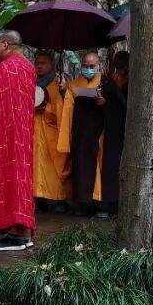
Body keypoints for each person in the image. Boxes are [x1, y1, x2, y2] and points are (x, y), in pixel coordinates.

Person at [0, 31, 37, 250]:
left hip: (8, 137)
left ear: (5, 44)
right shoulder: (28, 66)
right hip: (22, 135)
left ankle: (18, 235)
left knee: (10, 179)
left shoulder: (8, 68)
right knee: (20, 179)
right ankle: (23, 233)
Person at [57, 51, 126, 217]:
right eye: (86, 66)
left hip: (103, 135)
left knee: (104, 169)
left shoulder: (108, 84)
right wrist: (62, 91)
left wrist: (105, 103)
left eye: (92, 66)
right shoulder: (73, 85)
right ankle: (83, 204)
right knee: (82, 168)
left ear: (99, 65)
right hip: (82, 135)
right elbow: (67, 111)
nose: (88, 69)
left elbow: (121, 108)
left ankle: (103, 205)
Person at [32, 50, 71, 212]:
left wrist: (63, 92)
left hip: (54, 131)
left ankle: (60, 199)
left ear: (51, 65)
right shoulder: (31, 82)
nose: (39, 66)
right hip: (34, 131)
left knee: (56, 166)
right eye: (37, 63)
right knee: (36, 167)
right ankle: (38, 197)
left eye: (43, 63)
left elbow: (66, 106)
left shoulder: (59, 82)